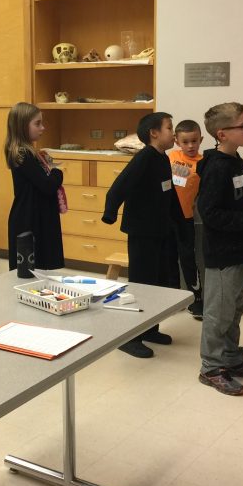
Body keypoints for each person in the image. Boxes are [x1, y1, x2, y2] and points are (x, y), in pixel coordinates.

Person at [196, 103, 243, 395]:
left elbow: (235, 202)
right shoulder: (216, 167)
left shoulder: (236, 161)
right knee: (219, 312)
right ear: (222, 133)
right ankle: (211, 367)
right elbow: (211, 213)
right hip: (224, 254)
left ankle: (231, 359)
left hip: (242, 248)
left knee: (235, 308)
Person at [102, 112, 184, 359]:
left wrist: (181, 223)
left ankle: (149, 329)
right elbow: (119, 187)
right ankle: (129, 337)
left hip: (159, 231)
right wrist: (110, 212)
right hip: (142, 231)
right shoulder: (145, 158)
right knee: (141, 284)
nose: (173, 132)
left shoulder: (162, 158)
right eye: (170, 127)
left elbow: (168, 194)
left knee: (157, 283)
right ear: (154, 133)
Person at [5, 102, 65, 271]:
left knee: (40, 270)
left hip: (36, 215)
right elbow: (47, 185)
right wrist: (57, 172)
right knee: (28, 271)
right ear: (23, 126)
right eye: (37, 124)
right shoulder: (22, 154)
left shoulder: (30, 152)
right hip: (28, 219)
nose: (42, 128)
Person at [169, 119, 204, 318]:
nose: (190, 146)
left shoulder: (203, 162)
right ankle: (172, 297)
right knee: (168, 257)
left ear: (201, 140)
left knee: (188, 258)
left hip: (187, 218)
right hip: (167, 217)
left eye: (194, 141)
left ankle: (195, 298)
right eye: (185, 142)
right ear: (177, 141)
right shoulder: (171, 156)